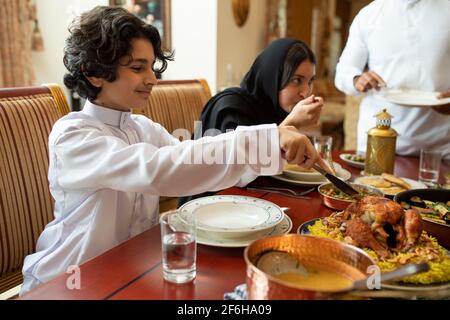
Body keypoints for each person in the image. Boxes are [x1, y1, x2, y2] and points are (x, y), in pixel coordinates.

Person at [20, 6, 330, 295]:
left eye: (152, 67)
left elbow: (194, 155)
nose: (153, 79)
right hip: (73, 280)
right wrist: (269, 138)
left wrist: (272, 142)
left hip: (134, 267)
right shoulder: (72, 134)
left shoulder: (141, 127)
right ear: (93, 72)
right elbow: (160, 168)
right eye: (138, 67)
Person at [178, 38, 324, 206]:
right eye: (296, 80)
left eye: (310, 81)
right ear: (272, 76)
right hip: (206, 208)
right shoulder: (231, 106)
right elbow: (239, 174)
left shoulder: (274, 109)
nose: (305, 92)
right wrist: (291, 125)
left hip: (251, 206)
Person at [335, 0, 450, 160]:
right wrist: (357, 79)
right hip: (378, 139)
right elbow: (343, 72)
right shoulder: (369, 15)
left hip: (441, 145)